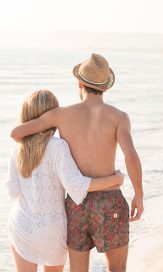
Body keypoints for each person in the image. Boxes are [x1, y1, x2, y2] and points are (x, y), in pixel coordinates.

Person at [11, 53, 144, 272]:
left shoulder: (61, 115)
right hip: (109, 200)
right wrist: (138, 194)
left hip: (76, 205)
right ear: (106, 87)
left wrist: (41, 142)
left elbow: (17, 133)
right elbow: (131, 156)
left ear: (79, 83)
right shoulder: (119, 117)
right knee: (117, 268)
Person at [7, 90, 124, 272]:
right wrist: (115, 179)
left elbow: (12, 191)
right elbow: (77, 186)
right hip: (52, 230)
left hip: (22, 224)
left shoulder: (18, 150)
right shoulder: (57, 147)